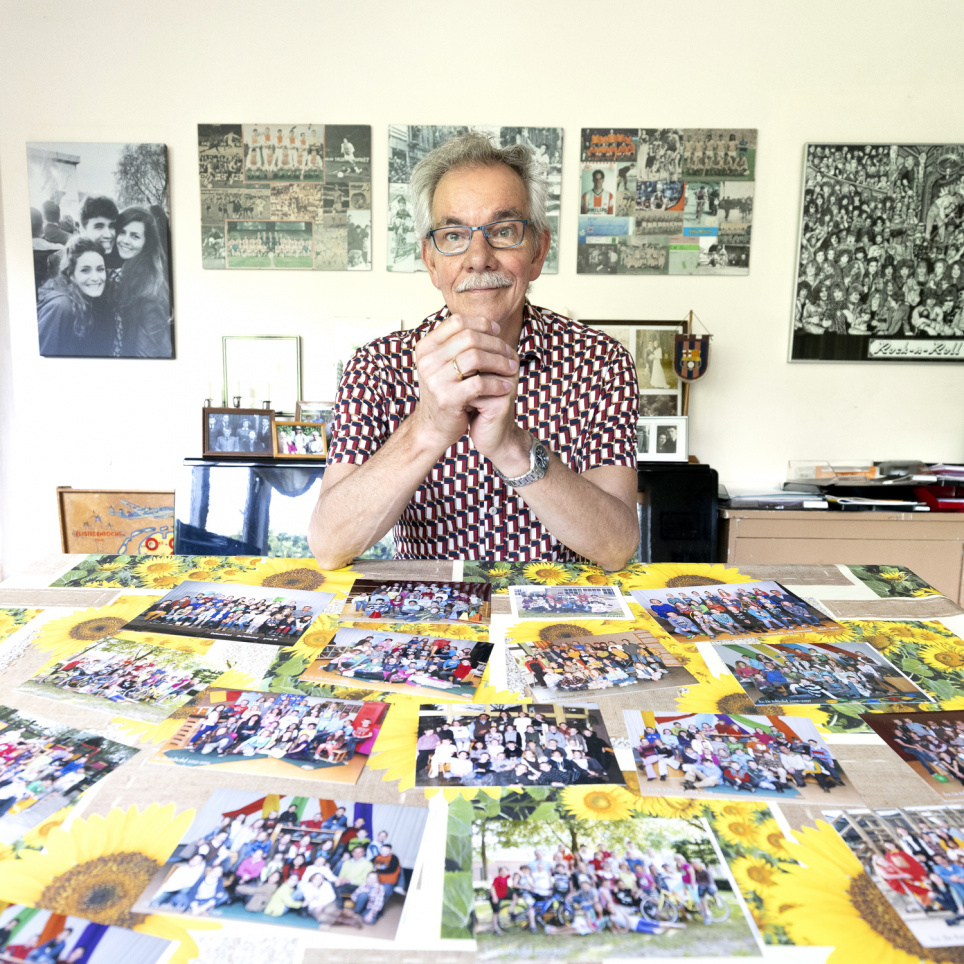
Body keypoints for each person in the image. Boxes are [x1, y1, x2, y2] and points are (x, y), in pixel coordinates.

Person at [310, 133, 638, 569]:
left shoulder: (600, 363)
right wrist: (427, 428)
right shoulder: (376, 367)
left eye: (503, 231)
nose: (478, 257)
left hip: (557, 622)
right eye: (453, 235)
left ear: (538, 251)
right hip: (427, 620)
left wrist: (512, 448)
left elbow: (616, 548)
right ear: (431, 261)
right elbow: (330, 544)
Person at [109, 206, 173, 357]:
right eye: (122, 233)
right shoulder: (129, 273)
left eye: (135, 236)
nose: (125, 241)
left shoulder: (149, 288)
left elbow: (146, 353)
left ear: (147, 242)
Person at [37, 235, 113, 356]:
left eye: (100, 269)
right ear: (70, 274)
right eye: (85, 270)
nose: (95, 278)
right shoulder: (61, 307)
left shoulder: (93, 300)